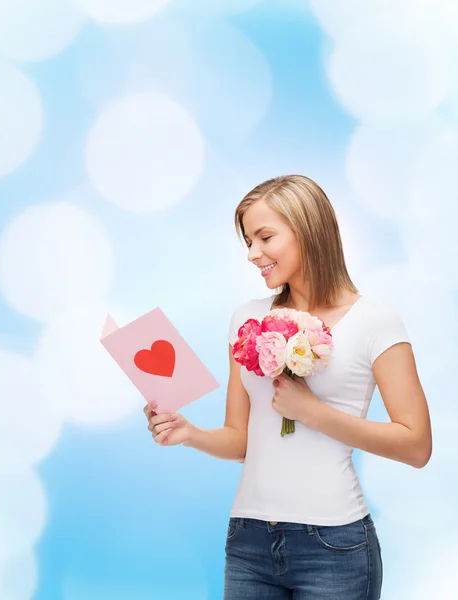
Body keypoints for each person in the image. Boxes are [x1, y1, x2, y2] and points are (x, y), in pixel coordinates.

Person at [143, 174, 432, 599]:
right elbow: (242, 440)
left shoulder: (376, 321)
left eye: (264, 237)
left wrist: (313, 412)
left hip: (334, 544)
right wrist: (190, 434)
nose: (253, 254)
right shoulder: (246, 318)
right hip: (248, 541)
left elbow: (416, 445)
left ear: (308, 230)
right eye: (247, 242)